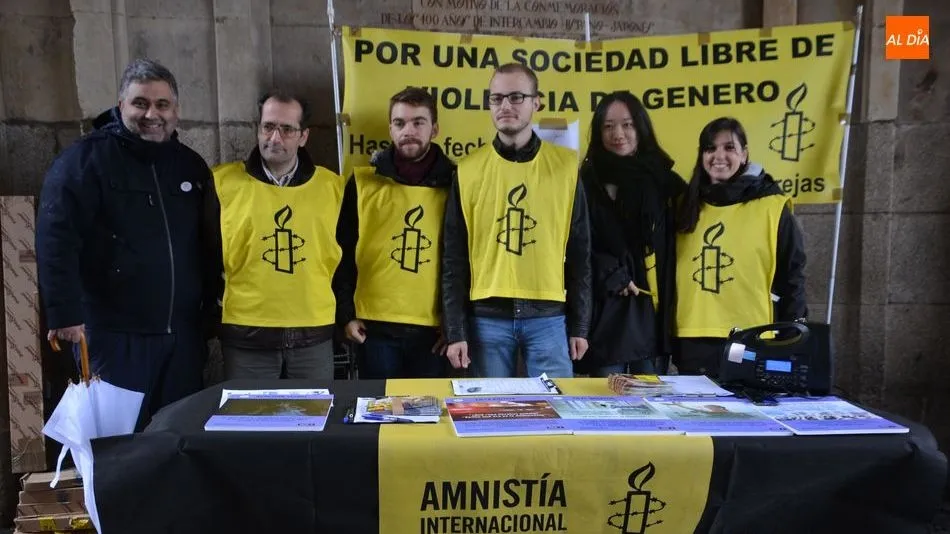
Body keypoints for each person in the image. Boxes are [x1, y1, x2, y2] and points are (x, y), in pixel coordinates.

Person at [36, 58, 213, 430]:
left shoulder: (191, 167)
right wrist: (65, 313)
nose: (152, 114)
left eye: (162, 105)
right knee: (115, 448)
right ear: (121, 107)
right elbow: (56, 238)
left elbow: (208, 244)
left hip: (180, 338)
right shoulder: (84, 161)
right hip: (114, 338)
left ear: (176, 111)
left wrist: (209, 311)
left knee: (178, 442)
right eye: (140, 103)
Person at [441, 63, 592, 378]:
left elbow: (580, 251)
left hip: (548, 317)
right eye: (496, 99)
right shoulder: (468, 170)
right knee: (491, 418)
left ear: (537, 102)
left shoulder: (565, 168)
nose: (505, 106)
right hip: (486, 319)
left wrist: (580, 323)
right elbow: (453, 258)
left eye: (516, 97)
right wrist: (455, 329)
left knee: (558, 415)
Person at [206, 90, 346, 380]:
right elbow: (205, 256)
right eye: (268, 127)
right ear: (257, 130)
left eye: (287, 129)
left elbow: (347, 259)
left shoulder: (333, 187)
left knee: (313, 419)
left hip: (314, 333)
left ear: (303, 136)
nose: (275, 138)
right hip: (247, 335)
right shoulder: (223, 183)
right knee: (248, 421)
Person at [673, 117, 807, 377]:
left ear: (744, 154)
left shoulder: (772, 207)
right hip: (693, 337)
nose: (718, 156)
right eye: (710, 149)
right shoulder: (684, 205)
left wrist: (792, 334)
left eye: (729, 148)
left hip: (752, 334)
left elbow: (793, 276)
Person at [335, 87, 455, 379]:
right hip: (373, 328)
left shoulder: (455, 184)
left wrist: (455, 325)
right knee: (377, 418)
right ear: (390, 128)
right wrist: (346, 315)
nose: (408, 130)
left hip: (434, 332)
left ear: (435, 129)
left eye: (418, 122)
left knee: (428, 419)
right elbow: (342, 251)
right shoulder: (363, 182)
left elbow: (462, 259)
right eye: (400, 123)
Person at [576, 91, 685, 378]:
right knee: (607, 407)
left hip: (653, 311)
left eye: (627, 124)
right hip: (609, 310)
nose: (618, 134)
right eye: (608, 126)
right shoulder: (586, 182)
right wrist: (612, 273)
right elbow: (576, 243)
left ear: (641, 127)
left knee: (652, 404)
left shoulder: (665, 180)